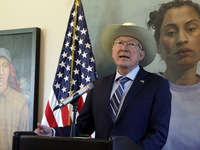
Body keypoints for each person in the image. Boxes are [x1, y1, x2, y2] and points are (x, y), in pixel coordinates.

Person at [34, 23, 171, 150]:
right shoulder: (97, 86)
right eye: (120, 43)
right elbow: (83, 127)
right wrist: (52, 132)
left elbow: (158, 133)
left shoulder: (157, 85)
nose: (124, 48)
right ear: (113, 51)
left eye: (132, 44)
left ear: (141, 54)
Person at [147, 0, 200, 149]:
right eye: (171, 32)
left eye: (191, 29)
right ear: (157, 45)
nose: (182, 39)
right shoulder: (142, 92)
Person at [0, 48, 29, 150]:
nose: (1, 72)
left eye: (5, 66)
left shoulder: (20, 100)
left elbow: (24, 141)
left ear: (10, 70)